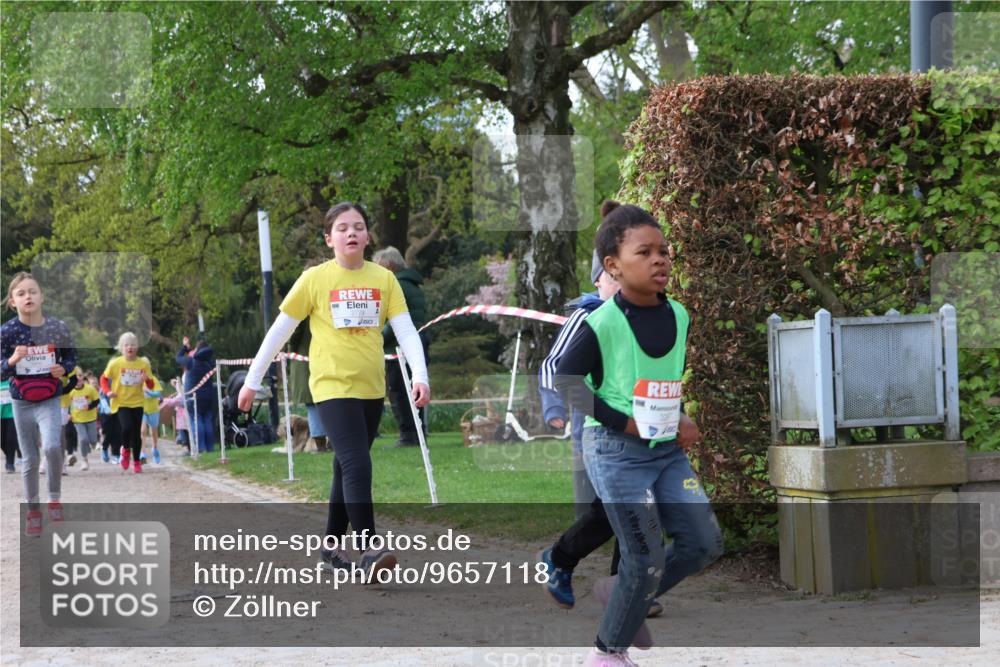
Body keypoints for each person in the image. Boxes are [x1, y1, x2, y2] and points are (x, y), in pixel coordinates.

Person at [554, 202, 723, 667]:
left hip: (667, 450)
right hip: (615, 452)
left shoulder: (680, 316)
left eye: (664, 251)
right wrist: (623, 423)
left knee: (704, 543)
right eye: (644, 252)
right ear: (613, 265)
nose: (660, 260)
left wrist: (682, 416)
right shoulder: (601, 322)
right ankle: (607, 654)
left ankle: (620, 592)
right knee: (643, 553)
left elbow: (663, 379)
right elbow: (566, 382)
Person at [238, 202, 430, 580]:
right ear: (330, 239)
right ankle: (369, 549)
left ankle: (329, 549)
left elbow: (406, 330)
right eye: (342, 228)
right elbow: (280, 330)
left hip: (371, 388)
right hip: (331, 386)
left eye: (358, 227)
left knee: (346, 467)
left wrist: (419, 375)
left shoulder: (384, 279)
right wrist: (251, 380)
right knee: (358, 462)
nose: (352, 233)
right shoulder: (314, 280)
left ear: (368, 236)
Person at [537, 252, 675, 617]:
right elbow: (554, 368)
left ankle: (619, 581)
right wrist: (557, 411)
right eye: (614, 278)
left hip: (646, 429)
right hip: (601, 431)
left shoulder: (646, 315)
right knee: (620, 507)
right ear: (599, 280)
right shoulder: (590, 316)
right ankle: (564, 558)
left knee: (638, 504)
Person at [0, 272, 77, 536]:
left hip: (49, 397)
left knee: (53, 446)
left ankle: (54, 499)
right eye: (21, 293)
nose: (28, 297)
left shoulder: (57, 328)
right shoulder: (7, 332)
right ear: (12, 302)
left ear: (41, 296)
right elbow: (0, 370)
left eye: (32, 291)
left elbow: (71, 358)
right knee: (30, 457)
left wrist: (62, 369)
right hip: (21, 401)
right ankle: (33, 511)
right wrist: (11, 361)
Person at [373, 246, 430, 448]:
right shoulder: (413, 285)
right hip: (418, 342)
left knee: (398, 391)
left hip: (398, 348)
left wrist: (374, 339)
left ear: (388, 266)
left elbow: (394, 322)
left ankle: (408, 435)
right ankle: (418, 433)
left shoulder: (397, 286)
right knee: (414, 390)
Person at [101, 332, 155, 473]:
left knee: (136, 434)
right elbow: (103, 379)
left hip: (137, 402)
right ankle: (125, 450)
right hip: (121, 402)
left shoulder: (143, 363)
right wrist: (108, 392)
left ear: (137, 347)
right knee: (126, 428)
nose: (129, 347)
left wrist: (146, 379)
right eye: (126, 345)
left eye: (132, 345)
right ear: (121, 348)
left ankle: (136, 462)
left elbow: (151, 386)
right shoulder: (116, 363)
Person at [176, 337, 218, 453]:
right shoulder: (210, 363)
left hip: (192, 397)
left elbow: (178, 357)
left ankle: (200, 448)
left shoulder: (190, 362)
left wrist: (185, 347)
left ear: (197, 350)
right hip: (208, 396)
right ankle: (210, 448)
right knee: (208, 421)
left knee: (196, 420)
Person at [68, 369, 100, 471]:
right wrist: (69, 414)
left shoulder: (90, 389)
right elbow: (67, 404)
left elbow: (97, 400)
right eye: (75, 377)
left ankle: (92, 444)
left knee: (93, 441)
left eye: (80, 376)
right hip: (77, 419)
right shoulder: (70, 391)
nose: (78, 379)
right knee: (83, 439)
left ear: (83, 378)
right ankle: (84, 460)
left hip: (91, 418)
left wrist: (89, 406)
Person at [141, 371, 163, 463]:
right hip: (142, 410)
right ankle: (143, 453)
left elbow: (158, 394)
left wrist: (148, 391)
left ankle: (155, 449)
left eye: (144, 372)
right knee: (142, 431)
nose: (143, 375)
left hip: (153, 410)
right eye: (141, 373)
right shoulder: (137, 382)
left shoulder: (153, 380)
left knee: (154, 432)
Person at [1, 378, 20, 473]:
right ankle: (8, 454)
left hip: (12, 414)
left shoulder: (11, 381)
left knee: (11, 439)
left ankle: (10, 463)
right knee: (2, 441)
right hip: (1, 415)